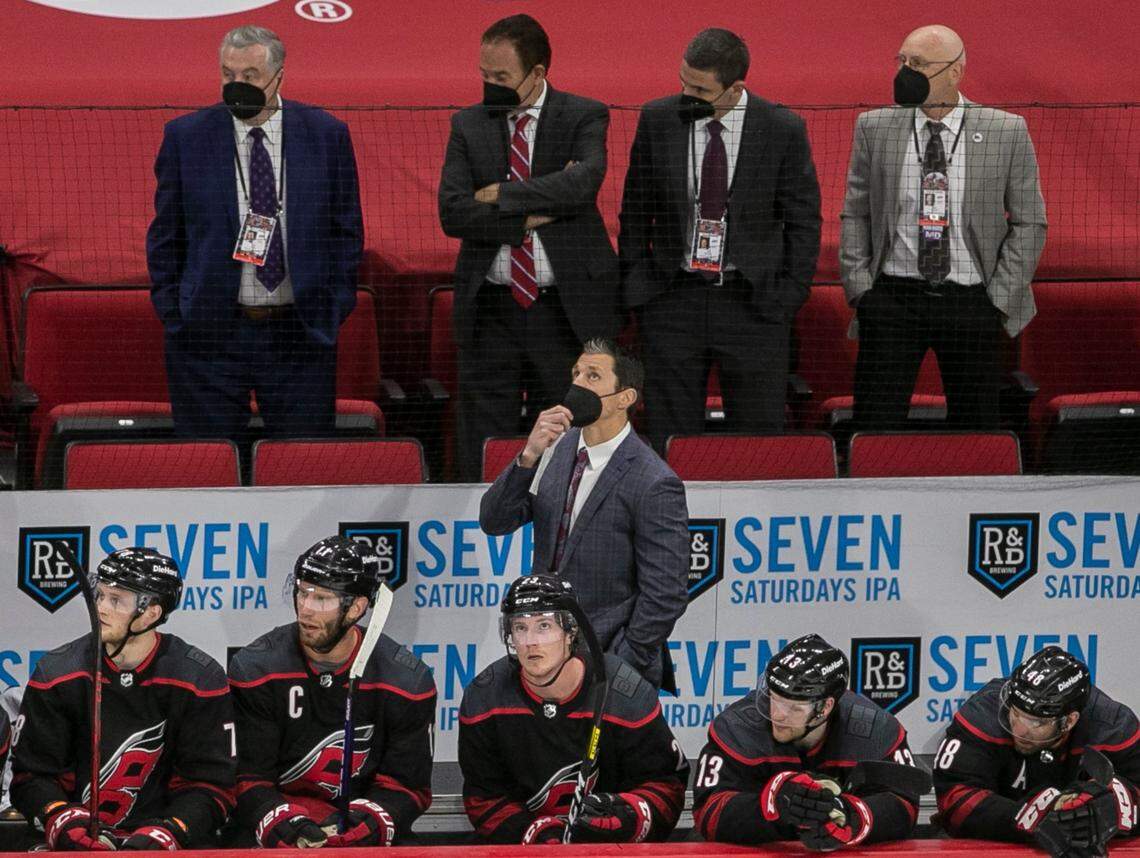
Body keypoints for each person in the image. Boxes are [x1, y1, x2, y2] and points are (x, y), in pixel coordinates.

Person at [146, 25, 363, 442]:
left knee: (302, 467)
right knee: (208, 467)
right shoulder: (186, 137)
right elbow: (165, 236)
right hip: (209, 336)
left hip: (299, 334)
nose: (237, 85)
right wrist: (175, 314)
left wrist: (333, 307)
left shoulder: (325, 134)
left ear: (279, 75)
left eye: (249, 76)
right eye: (228, 75)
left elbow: (346, 231)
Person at [618, 28, 821, 454]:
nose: (686, 94)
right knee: (668, 443)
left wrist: (787, 295)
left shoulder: (781, 128)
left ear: (735, 89)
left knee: (757, 443)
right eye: (683, 82)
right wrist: (641, 289)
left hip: (752, 306)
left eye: (700, 89)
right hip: (673, 301)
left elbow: (804, 220)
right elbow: (635, 208)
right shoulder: (658, 118)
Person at [439, 13, 621, 482]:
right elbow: (453, 212)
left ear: (537, 73)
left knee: (567, 432)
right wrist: (535, 209)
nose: (490, 85)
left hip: (564, 310)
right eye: (484, 74)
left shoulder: (583, 114)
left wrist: (500, 193)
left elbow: (582, 186)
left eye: (501, 77)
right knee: (483, 436)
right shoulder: (468, 124)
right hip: (492, 310)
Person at [840, 24, 1047, 431]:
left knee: (977, 428)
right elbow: (855, 212)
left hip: (973, 302)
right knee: (875, 426)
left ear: (955, 72)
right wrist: (862, 290)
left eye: (918, 64)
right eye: (902, 61)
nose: (905, 72)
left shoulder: (1006, 131)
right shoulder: (874, 127)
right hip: (893, 301)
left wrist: (999, 300)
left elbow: (1030, 221)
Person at [479, 339, 689, 689]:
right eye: (576, 373)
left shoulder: (653, 481)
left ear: (625, 397)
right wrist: (529, 455)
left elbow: (665, 593)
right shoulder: (555, 449)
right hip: (543, 654)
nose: (578, 384)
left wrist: (620, 665)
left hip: (608, 659)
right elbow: (495, 520)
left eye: (593, 376)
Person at [9, 548, 235, 850]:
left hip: (166, 841)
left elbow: (211, 786)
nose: (100, 608)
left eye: (115, 600)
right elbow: (30, 776)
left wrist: (171, 831)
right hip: (73, 843)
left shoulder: (198, 678)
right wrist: (61, 818)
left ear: (151, 613)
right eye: (99, 595)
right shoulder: (58, 672)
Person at [227, 536, 436, 848]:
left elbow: (408, 786)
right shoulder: (257, 670)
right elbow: (247, 778)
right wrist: (285, 823)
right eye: (302, 593)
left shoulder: (406, 681)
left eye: (322, 599)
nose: (306, 610)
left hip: (360, 833)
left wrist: (366, 823)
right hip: (276, 832)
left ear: (357, 608)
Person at [458, 576, 688, 844]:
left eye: (544, 626)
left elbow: (667, 788)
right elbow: (483, 800)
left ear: (571, 632)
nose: (530, 641)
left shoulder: (625, 693)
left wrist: (628, 816)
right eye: (520, 627)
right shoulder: (485, 697)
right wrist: (532, 833)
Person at [693, 634, 921, 849]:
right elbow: (707, 812)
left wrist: (850, 816)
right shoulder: (736, 728)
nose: (778, 714)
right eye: (775, 698)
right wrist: (772, 804)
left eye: (794, 707)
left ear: (825, 707)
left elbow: (905, 805)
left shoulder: (877, 731)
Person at [933, 646, 1139, 855]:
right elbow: (954, 800)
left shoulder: (1112, 727)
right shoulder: (982, 715)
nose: (1019, 729)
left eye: (1036, 722)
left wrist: (1103, 811)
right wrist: (1036, 816)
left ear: (1069, 721)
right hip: (996, 844)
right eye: (1016, 713)